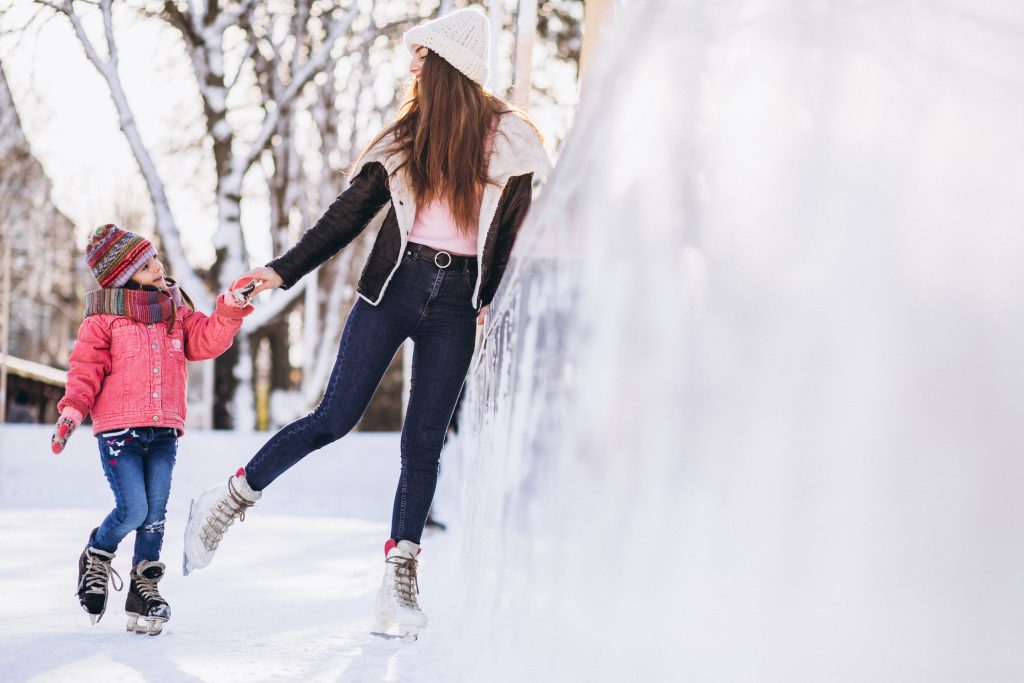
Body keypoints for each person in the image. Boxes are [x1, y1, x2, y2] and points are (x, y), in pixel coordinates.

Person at [182, 6, 551, 638]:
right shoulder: (406, 140)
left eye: (422, 56)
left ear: (449, 67)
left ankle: (398, 579)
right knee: (334, 417)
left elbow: (516, 233)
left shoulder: (515, 143)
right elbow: (346, 216)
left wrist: (497, 293)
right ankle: (229, 499)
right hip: (393, 287)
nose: (412, 65)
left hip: (459, 305)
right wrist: (280, 271)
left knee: (424, 441)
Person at [51, 224, 255, 635]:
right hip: (118, 431)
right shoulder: (103, 319)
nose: (158, 267)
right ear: (124, 276)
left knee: (156, 516)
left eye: (156, 258)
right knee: (134, 509)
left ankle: (144, 589)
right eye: (146, 265)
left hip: (163, 431)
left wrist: (231, 306)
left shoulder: (175, 312)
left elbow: (206, 340)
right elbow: (85, 370)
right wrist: (72, 411)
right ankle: (98, 553)